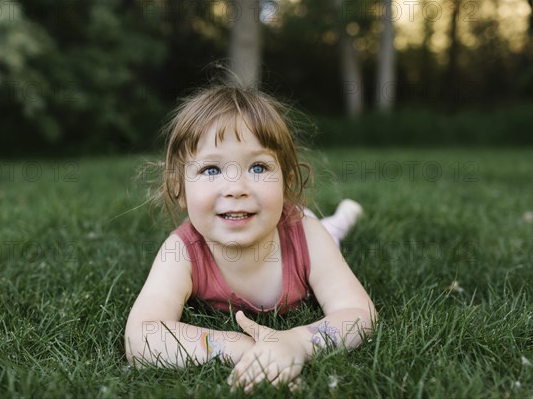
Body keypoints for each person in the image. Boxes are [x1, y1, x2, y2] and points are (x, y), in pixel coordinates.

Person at [125, 83, 376, 393]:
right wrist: (232, 346)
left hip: (306, 230)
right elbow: (142, 336)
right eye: (211, 169)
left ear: (287, 181)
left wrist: (296, 342)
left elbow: (359, 315)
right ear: (178, 188)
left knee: (330, 231)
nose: (236, 187)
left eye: (258, 167)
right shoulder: (182, 251)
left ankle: (344, 216)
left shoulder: (307, 237)